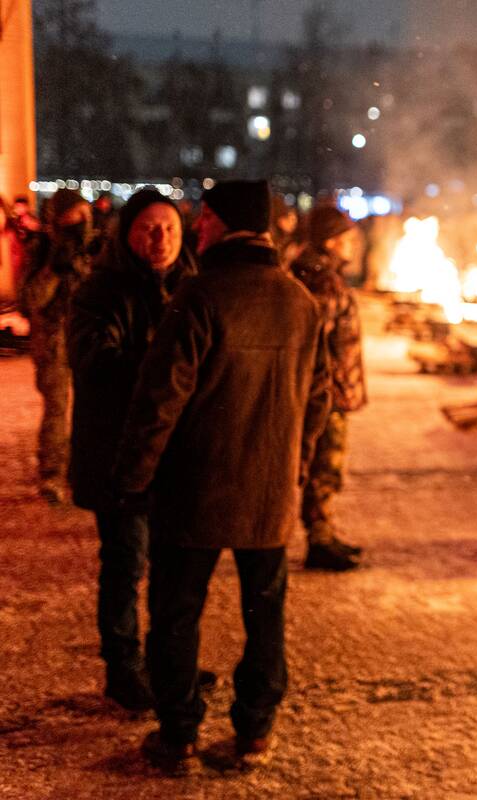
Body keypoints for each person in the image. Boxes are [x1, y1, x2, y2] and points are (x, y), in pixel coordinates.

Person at [112, 180, 330, 772]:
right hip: (268, 492)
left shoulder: (199, 296)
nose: (195, 228)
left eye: (201, 218)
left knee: (177, 612)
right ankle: (254, 730)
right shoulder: (299, 301)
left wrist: (132, 477)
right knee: (265, 614)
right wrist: (296, 466)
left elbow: (160, 400)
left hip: (195, 489)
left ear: (218, 221)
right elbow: (319, 398)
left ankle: (178, 732)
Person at [67, 190, 198, 711]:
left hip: (175, 456)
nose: (159, 238)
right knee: (126, 563)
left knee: (174, 563)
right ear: (127, 234)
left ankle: (168, 663)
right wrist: (164, 365)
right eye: (148, 227)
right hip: (117, 456)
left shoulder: (193, 287)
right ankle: (123, 668)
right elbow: (92, 360)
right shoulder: (101, 291)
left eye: (169, 227)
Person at [290, 206, 368, 571]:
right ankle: (319, 538)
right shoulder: (321, 281)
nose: (354, 245)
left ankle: (324, 532)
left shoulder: (320, 275)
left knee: (325, 465)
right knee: (325, 465)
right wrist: (329, 388)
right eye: (348, 238)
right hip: (327, 395)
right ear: (332, 241)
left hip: (330, 390)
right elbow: (315, 344)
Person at [18, 189, 99, 503]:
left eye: (83, 214)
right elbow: (30, 300)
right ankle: (53, 474)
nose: (80, 221)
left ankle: (83, 471)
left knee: (91, 409)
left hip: (89, 338)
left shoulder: (95, 248)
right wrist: (53, 269)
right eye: (73, 215)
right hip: (54, 342)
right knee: (57, 411)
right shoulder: (41, 249)